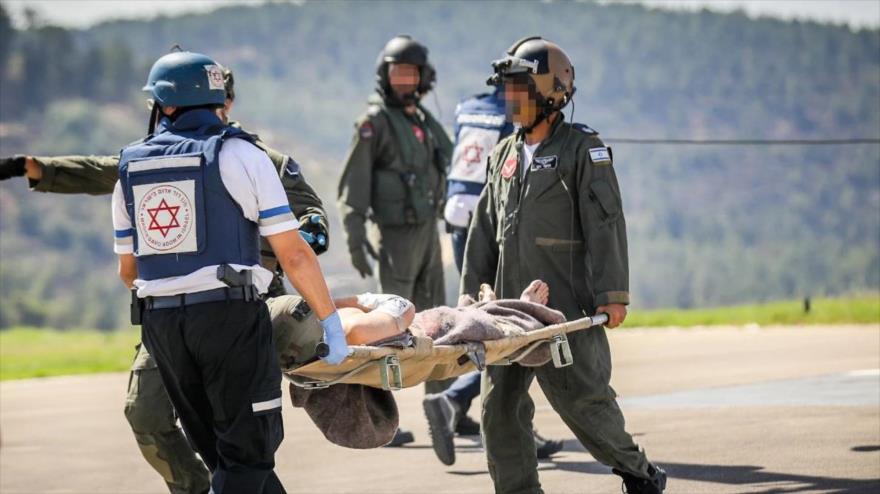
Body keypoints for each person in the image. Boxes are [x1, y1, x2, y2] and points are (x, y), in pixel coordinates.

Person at [0, 65, 328, 494]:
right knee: (149, 415)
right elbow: (102, 170)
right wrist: (34, 167)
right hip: (169, 313)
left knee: (244, 443)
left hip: (243, 305)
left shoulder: (256, 157)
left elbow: (312, 225)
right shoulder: (150, 157)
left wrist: (286, 240)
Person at [112, 50, 348, 494]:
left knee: (223, 453)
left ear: (163, 104)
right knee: (249, 451)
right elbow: (294, 254)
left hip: (161, 325)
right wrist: (330, 320)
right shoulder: (241, 154)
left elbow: (128, 269)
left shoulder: (130, 163)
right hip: (229, 319)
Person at [461, 37, 667, 494]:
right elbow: (483, 232)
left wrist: (612, 295)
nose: (509, 97)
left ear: (550, 93)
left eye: (519, 87)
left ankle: (639, 474)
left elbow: (606, 224)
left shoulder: (583, 150)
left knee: (586, 406)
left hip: (566, 313)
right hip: (507, 318)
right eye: (507, 88)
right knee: (498, 413)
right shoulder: (503, 156)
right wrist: (471, 298)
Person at [421, 88, 561, 466]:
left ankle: (469, 406)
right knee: (517, 323)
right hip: (489, 220)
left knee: (477, 319)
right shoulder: (518, 109)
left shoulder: (467, 105)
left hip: (455, 215)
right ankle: (460, 401)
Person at [337, 34, 453, 445]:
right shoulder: (375, 125)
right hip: (395, 238)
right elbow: (353, 187)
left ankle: (447, 404)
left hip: (427, 234)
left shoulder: (422, 123)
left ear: (424, 78)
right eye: (397, 73)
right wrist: (355, 239)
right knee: (388, 331)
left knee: (439, 322)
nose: (404, 80)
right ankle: (381, 420)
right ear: (384, 76)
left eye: (411, 73)